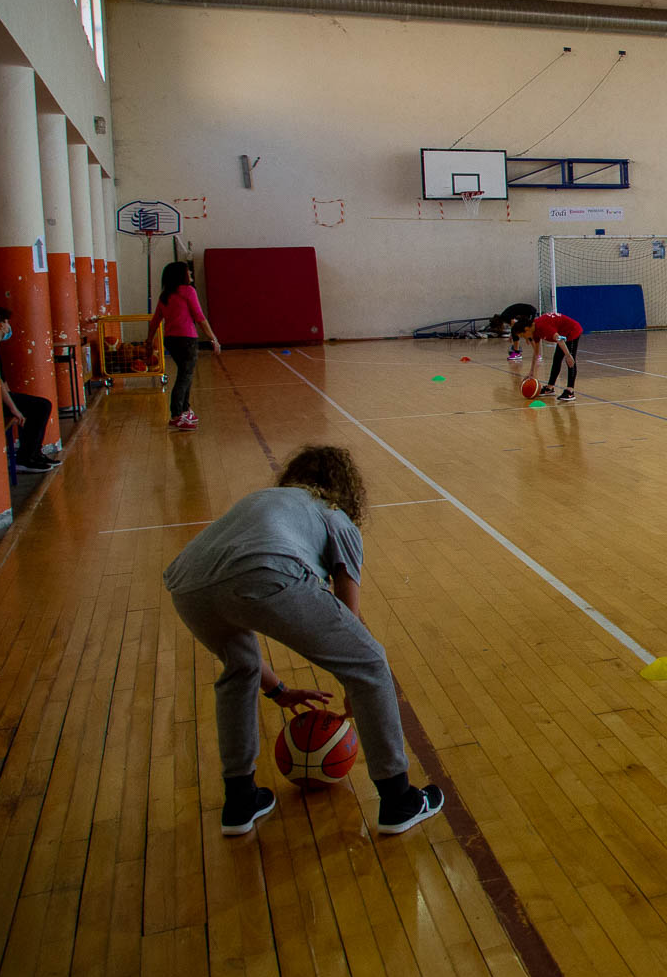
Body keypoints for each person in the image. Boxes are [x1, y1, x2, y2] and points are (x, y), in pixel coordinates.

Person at [162, 446, 444, 836]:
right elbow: (350, 623)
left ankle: (240, 801)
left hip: (187, 584)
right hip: (267, 568)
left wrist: (279, 691)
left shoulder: (264, 500)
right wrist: (354, 683)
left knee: (240, 669)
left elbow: (230, 582)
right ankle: (398, 800)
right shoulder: (335, 515)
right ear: (346, 488)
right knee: (369, 661)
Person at [146, 260, 222, 430]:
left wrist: (149, 340)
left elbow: (155, 320)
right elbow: (199, 317)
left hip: (171, 340)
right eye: (188, 271)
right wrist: (213, 338)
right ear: (181, 275)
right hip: (187, 339)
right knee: (185, 376)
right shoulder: (188, 291)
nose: (191, 274)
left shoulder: (165, 295)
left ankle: (185, 409)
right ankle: (176, 414)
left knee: (185, 373)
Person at [0, 307, 57, 473]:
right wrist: (13, 408)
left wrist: (14, 400)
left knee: (39, 405)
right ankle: (26, 458)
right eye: (7, 322)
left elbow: (3, 383)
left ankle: (34, 454)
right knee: (42, 406)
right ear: (1, 325)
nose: (9, 326)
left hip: (2, 397)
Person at [517, 311, 582, 402]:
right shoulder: (534, 330)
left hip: (572, 331)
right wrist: (531, 371)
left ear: (526, 329)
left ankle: (570, 391)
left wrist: (568, 355)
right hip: (563, 333)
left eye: (523, 335)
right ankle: (549, 388)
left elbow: (559, 339)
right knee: (556, 360)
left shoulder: (542, 327)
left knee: (570, 361)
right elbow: (536, 352)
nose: (524, 338)